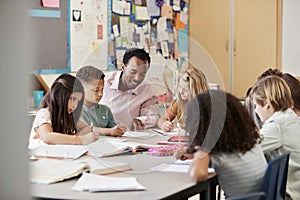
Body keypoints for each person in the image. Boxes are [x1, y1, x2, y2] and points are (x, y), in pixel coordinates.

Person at [177, 90, 267, 198]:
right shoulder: (250, 143)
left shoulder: (214, 152)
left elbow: (197, 174)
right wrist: (194, 154)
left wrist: (201, 150)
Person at [249, 75, 300, 200]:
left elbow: (246, 150)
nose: (255, 111)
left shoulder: (276, 126)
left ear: (266, 103)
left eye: (256, 105)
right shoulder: (290, 118)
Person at [28, 74, 99, 149]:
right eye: (73, 99)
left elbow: (86, 128)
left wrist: (76, 136)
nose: (75, 105)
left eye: (78, 101)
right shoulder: (44, 113)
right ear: (58, 96)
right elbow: (47, 136)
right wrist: (78, 140)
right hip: (39, 158)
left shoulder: (67, 116)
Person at [100, 48, 160, 130]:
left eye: (142, 74)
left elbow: (153, 116)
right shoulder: (103, 81)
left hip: (128, 138)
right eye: (133, 72)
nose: (137, 78)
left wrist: (140, 120)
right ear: (123, 67)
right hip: (100, 135)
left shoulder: (147, 89)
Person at [76, 66, 127, 137]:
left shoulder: (105, 110)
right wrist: (108, 131)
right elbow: (83, 129)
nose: (100, 94)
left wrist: (118, 129)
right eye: (96, 90)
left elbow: (113, 128)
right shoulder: (73, 110)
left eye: (102, 89)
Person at [157, 66, 209, 132]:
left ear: (196, 90)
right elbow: (162, 119)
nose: (181, 92)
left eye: (186, 90)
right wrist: (164, 125)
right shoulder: (178, 102)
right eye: (180, 87)